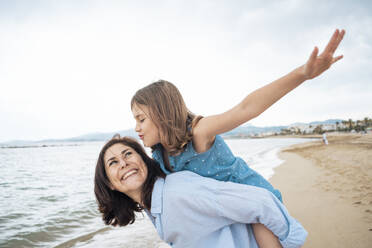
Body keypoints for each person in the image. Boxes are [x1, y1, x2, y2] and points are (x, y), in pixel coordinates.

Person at [131, 29, 345, 242]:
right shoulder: (159, 156)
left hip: (254, 200)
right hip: (224, 213)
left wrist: (303, 74)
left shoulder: (198, 132)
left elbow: (246, 108)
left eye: (141, 119)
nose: (136, 127)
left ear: (162, 113)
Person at [94, 136, 307, 248]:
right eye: (113, 162)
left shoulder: (178, 193)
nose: (123, 163)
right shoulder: (154, 207)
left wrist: (291, 242)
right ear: (109, 184)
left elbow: (260, 202)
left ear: (144, 160)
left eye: (128, 154)